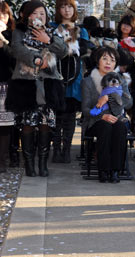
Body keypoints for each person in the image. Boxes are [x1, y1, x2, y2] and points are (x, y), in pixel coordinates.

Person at [6, 0, 67, 177]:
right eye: (35, 13)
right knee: (27, 124)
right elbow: (17, 49)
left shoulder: (53, 32)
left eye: (42, 13)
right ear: (26, 15)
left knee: (45, 123)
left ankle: (43, 163)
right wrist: (37, 60)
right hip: (26, 83)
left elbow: (62, 52)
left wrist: (48, 40)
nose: (39, 16)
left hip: (49, 83)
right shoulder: (19, 31)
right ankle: (29, 164)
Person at [81, 46, 132, 183]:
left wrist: (112, 97)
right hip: (95, 121)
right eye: (104, 59)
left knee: (120, 128)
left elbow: (129, 103)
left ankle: (115, 170)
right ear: (98, 61)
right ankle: (103, 170)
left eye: (112, 60)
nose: (108, 63)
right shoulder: (88, 81)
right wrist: (101, 112)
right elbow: (85, 109)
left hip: (117, 119)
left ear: (116, 63)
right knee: (105, 127)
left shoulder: (119, 79)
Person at [51, 0, 89, 164]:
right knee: (55, 116)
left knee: (69, 115)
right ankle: (56, 149)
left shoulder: (82, 30)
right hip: (54, 74)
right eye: (63, 6)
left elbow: (85, 52)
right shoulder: (52, 27)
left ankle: (66, 149)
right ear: (58, 9)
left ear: (74, 10)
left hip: (75, 77)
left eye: (70, 7)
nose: (66, 10)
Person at [0, 1, 15, 173]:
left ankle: (2, 160)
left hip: (6, 85)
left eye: (4, 14)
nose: (1, 17)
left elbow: (14, 60)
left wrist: (3, 44)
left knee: (5, 126)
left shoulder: (11, 36)